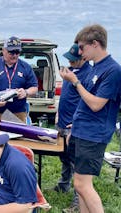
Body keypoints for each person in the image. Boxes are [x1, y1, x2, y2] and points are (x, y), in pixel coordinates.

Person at [60, 24, 121, 213]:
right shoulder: (95, 68)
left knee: (83, 185)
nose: (79, 52)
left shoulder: (112, 70)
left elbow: (96, 104)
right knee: (80, 185)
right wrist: (75, 127)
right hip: (82, 130)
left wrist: (75, 82)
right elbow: (83, 103)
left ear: (95, 44)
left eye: (82, 47)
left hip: (94, 134)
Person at [54, 43, 92, 213]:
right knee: (64, 158)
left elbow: (87, 102)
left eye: (73, 60)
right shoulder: (71, 72)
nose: (70, 63)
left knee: (77, 164)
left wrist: (77, 122)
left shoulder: (88, 75)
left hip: (73, 126)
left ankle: (78, 203)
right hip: (62, 122)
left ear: (83, 58)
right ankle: (63, 185)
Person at [0, 36, 38, 123]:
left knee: (19, 136)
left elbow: (34, 87)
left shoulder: (25, 67)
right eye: (11, 52)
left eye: (17, 52)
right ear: (3, 50)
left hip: (18, 113)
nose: (14, 55)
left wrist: (26, 92)